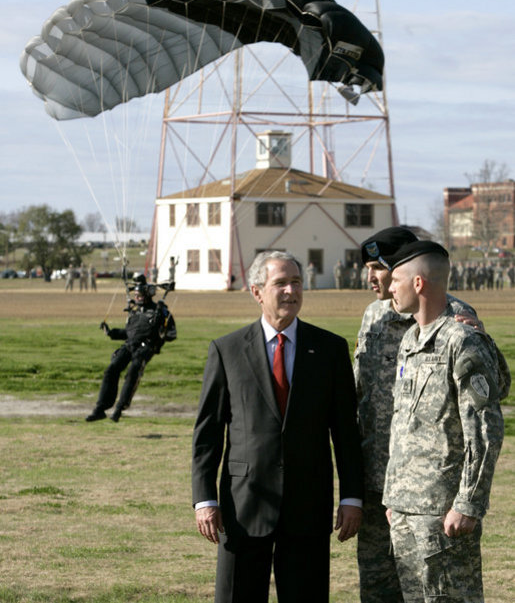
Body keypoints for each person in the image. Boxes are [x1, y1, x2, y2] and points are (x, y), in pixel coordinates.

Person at [192, 250, 363, 603]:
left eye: (296, 283)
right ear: (257, 292)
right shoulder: (226, 350)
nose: (290, 291)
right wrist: (204, 499)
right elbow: (208, 434)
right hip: (244, 506)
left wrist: (351, 497)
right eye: (280, 283)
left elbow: (346, 432)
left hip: (308, 506)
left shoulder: (330, 349)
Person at [353, 226, 511, 603]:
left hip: (437, 499)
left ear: (414, 278)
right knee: (385, 590)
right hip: (390, 491)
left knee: (443, 593)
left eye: (383, 269)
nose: (378, 279)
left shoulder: (457, 325)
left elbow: (486, 414)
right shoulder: (378, 321)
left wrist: (468, 502)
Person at [86, 273, 177, 423]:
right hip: (129, 346)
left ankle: (119, 408)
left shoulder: (159, 311)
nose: (137, 297)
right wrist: (111, 332)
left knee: (133, 370)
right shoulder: (134, 312)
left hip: (145, 348)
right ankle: (100, 409)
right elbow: (129, 334)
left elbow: (172, 334)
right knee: (111, 369)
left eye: (140, 295)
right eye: (136, 294)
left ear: (147, 294)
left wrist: (164, 334)